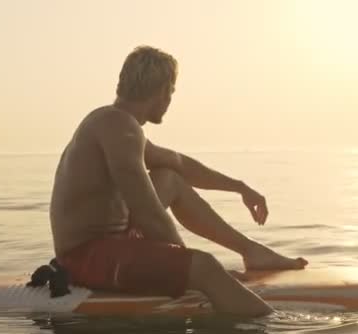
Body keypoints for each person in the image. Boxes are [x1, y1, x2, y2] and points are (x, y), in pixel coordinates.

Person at [49, 46, 308, 317]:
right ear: (163, 91)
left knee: (169, 179)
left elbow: (178, 164)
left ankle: (252, 251)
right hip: (84, 258)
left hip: (113, 242)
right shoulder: (119, 129)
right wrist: (190, 270)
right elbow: (148, 214)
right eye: (171, 92)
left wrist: (239, 187)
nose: (170, 99)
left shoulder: (119, 125)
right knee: (206, 266)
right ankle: (274, 329)